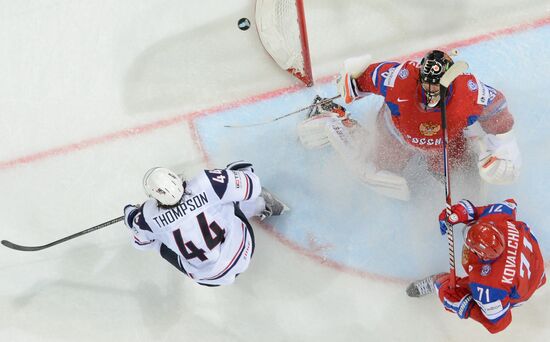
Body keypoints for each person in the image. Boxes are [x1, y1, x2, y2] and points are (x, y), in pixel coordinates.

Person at [297, 50, 521, 200]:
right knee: (377, 167)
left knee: (460, 177)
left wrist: (504, 147)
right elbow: (362, 80)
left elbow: (498, 110)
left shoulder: (470, 91)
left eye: (435, 86)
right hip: (395, 135)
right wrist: (350, 83)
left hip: (444, 144)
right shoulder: (400, 77)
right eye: (425, 83)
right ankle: (339, 118)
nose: (429, 91)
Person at [123, 162, 288, 286]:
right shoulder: (206, 183)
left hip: (210, 278)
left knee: (157, 241)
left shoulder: (147, 217)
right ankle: (262, 205)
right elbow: (253, 184)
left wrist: (131, 215)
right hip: (243, 248)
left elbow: (140, 243)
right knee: (231, 182)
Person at [406, 198, 546, 333]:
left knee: (450, 289)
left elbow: (500, 324)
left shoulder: (489, 286)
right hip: (537, 269)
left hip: (519, 292)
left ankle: (437, 282)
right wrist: (464, 212)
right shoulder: (502, 221)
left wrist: (466, 307)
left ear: (483, 257)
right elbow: (509, 204)